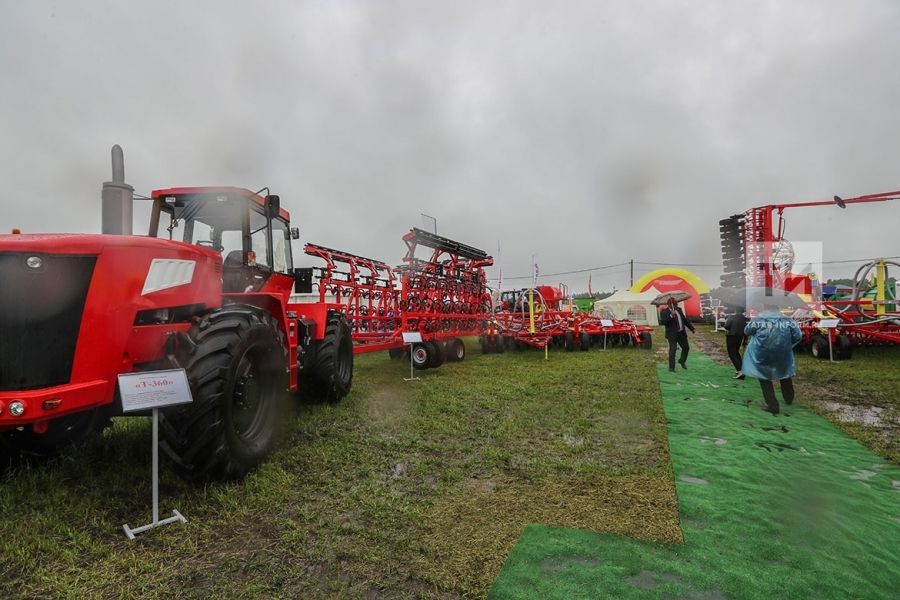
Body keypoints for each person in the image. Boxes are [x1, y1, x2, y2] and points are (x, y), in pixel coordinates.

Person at [741, 305, 803, 415]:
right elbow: (798, 336)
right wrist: (787, 344)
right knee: (784, 373)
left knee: (764, 377)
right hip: (782, 353)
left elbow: (746, 332)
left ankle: (772, 405)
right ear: (778, 308)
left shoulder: (758, 320)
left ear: (764, 308)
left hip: (762, 353)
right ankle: (788, 398)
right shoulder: (788, 320)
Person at [659, 297, 694, 372]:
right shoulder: (664, 312)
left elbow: (684, 320)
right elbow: (663, 322)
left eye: (676, 304)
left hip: (681, 333)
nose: (676, 305)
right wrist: (671, 316)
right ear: (669, 304)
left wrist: (691, 328)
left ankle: (682, 361)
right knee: (673, 350)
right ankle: (671, 368)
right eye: (674, 304)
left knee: (686, 348)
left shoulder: (679, 309)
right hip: (672, 335)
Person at [723, 309, 749, 379]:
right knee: (736, 353)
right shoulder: (744, 318)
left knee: (732, 354)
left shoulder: (731, 317)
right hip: (740, 337)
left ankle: (740, 371)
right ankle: (742, 369)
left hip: (731, 336)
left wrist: (725, 321)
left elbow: (726, 326)